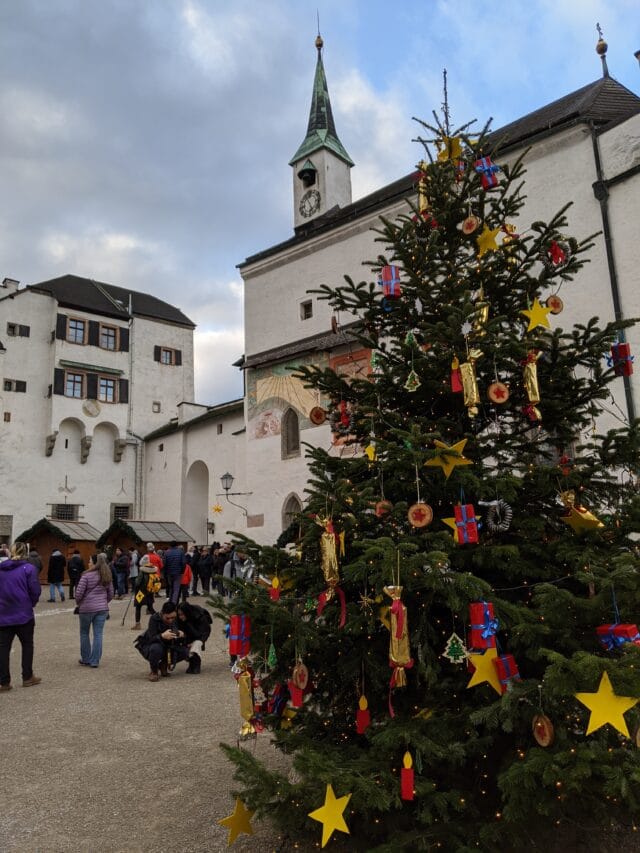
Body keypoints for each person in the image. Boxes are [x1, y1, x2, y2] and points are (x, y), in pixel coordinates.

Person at [0, 541, 42, 690]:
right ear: (25, 553)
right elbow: (35, 590)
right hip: (23, 613)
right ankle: (27, 676)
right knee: (27, 645)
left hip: (4, 613)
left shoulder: (1, 569)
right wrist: (31, 602)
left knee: (3, 648)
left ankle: (3, 681)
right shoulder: (29, 569)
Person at [134, 601, 189, 682]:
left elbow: (186, 635)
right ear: (162, 613)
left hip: (171, 645)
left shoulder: (178, 618)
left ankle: (163, 665)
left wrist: (182, 635)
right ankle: (154, 671)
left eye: (173, 618)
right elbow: (151, 638)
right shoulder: (154, 618)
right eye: (167, 618)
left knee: (185, 651)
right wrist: (162, 636)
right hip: (155, 645)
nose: (170, 620)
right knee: (156, 648)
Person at [74, 553, 113, 668]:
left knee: (84, 633)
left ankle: (86, 658)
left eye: (90, 560)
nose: (88, 562)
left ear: (95, 562)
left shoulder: (86, 575)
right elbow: (110, 593)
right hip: (102, 609)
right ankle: (95, 660)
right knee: (98, 634)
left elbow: (79, 593)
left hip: (86, 608)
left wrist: (79, 602)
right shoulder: (106, 575)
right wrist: (103, 602)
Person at [176, 601, 212, 673]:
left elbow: (204, 632)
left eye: (182, 614)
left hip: (201, 634)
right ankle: (191, 663)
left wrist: (200, 641)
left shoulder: (200, 616)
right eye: (179, 615)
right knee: (186, 648)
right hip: (188, 635)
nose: (180, 617)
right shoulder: (179, 619)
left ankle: (196, 664)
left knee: (196, 645)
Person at [130, 556, 160, 630]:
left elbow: (137, 583)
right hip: (150, 591)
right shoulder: (153, 569)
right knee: (150, 608)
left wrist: (135, 582)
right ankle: (160, 620)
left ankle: (138, 624)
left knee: (138, 607)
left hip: (141, 592)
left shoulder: (142, 571)